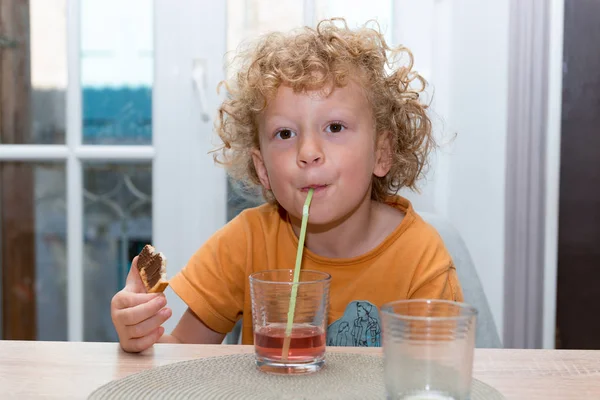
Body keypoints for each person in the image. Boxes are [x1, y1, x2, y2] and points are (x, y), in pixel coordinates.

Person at [111, 18, 463, 353]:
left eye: (335, 127)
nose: (308, 152)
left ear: (381, 153)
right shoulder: (247, 243)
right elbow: (182, 355)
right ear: (262, 168)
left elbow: (435, 378)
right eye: (285, 133)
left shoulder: (422, 260)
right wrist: (142, 335)